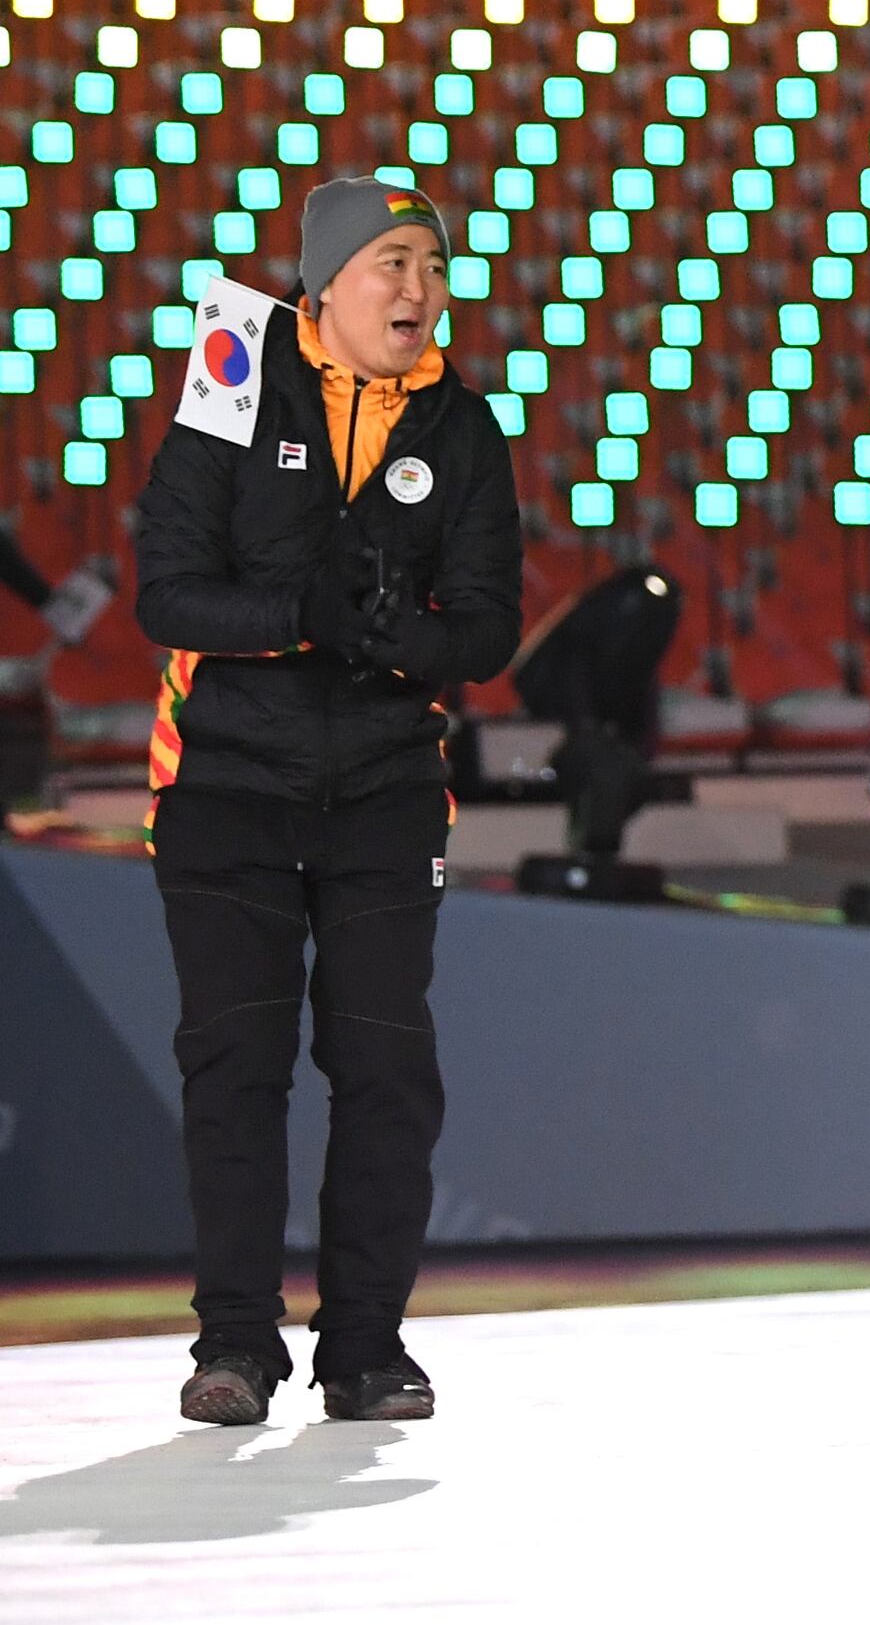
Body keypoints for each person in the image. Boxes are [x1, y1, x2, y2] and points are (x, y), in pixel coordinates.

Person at [134, 180, 523, 1427]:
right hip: (226, 787)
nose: (418, 290)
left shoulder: (464, 428)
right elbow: (169, 596)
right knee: (236, 1067)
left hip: (384, 792)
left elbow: (489, 630)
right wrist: (298, 619)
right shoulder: (233, 387)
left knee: (387, 1071)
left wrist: (397, 639)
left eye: (432, 266)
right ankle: (235, 1346)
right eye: (391, 264)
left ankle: (366, 1347)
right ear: (324, 282)